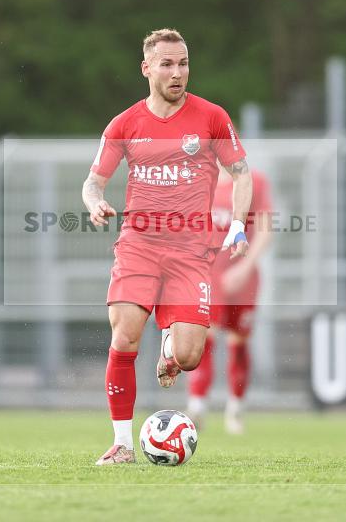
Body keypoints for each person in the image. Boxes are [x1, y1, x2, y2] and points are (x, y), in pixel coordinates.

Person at [82, 28, 253, 465]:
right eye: (167, 64)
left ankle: (170, 348)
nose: (178, 73)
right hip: (138, 244)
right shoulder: (125, 124)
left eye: (183, 63)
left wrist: (236, 225)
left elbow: (241, 174)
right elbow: (93, 181)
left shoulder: (212, 117)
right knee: (124, 335)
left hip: (191, 252)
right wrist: (96, 201)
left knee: (190, 357)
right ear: (147, 69)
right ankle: (122, 443)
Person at [186, 168, 273, 435]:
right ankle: (197, 407)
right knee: (203, 337)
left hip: (242, 278)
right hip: (208, 276)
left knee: (238, 342)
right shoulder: (198, 180)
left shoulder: (254, 181)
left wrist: (245, 268)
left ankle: (236, 408)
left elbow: (265, 228)